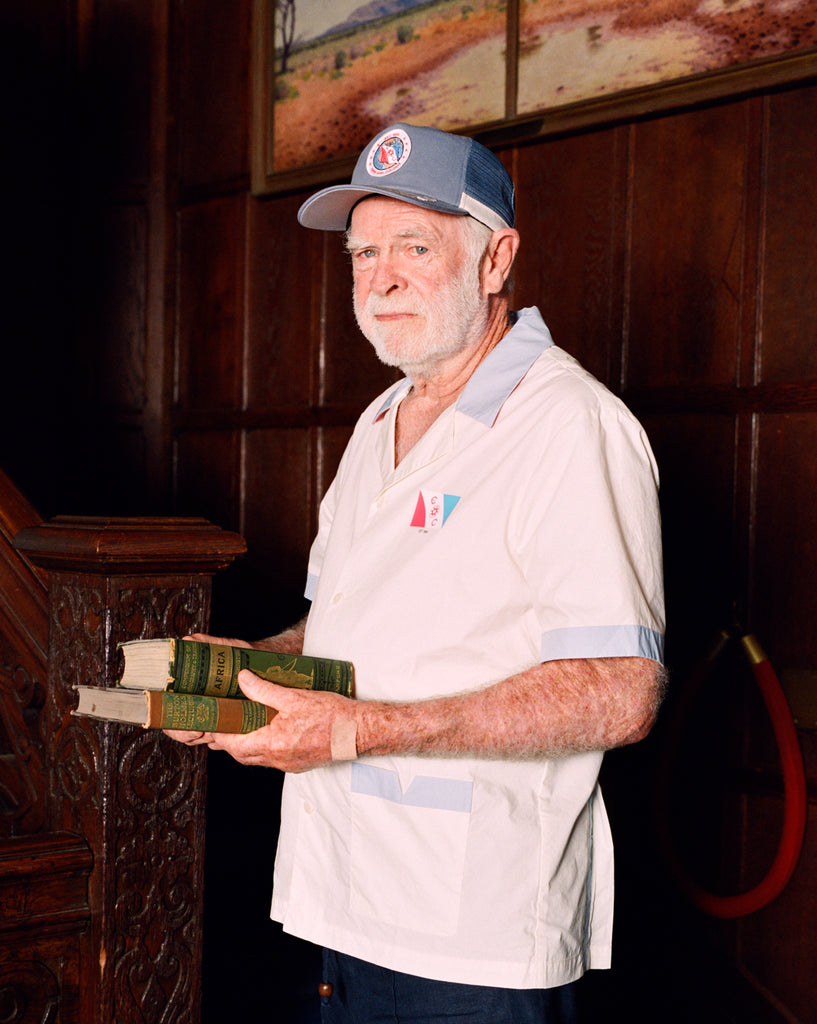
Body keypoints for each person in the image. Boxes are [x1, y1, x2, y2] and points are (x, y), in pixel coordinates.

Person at [168, 123, 666, 1023]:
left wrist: (360, 730)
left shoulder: (569, 425)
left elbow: (619, 690)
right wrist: (247, 672)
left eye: (414, 247)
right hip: (340, 896)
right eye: (363, 253)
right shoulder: (378, 422)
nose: (381, 277)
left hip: (472, 929)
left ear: (495, 260)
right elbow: (343, 626)